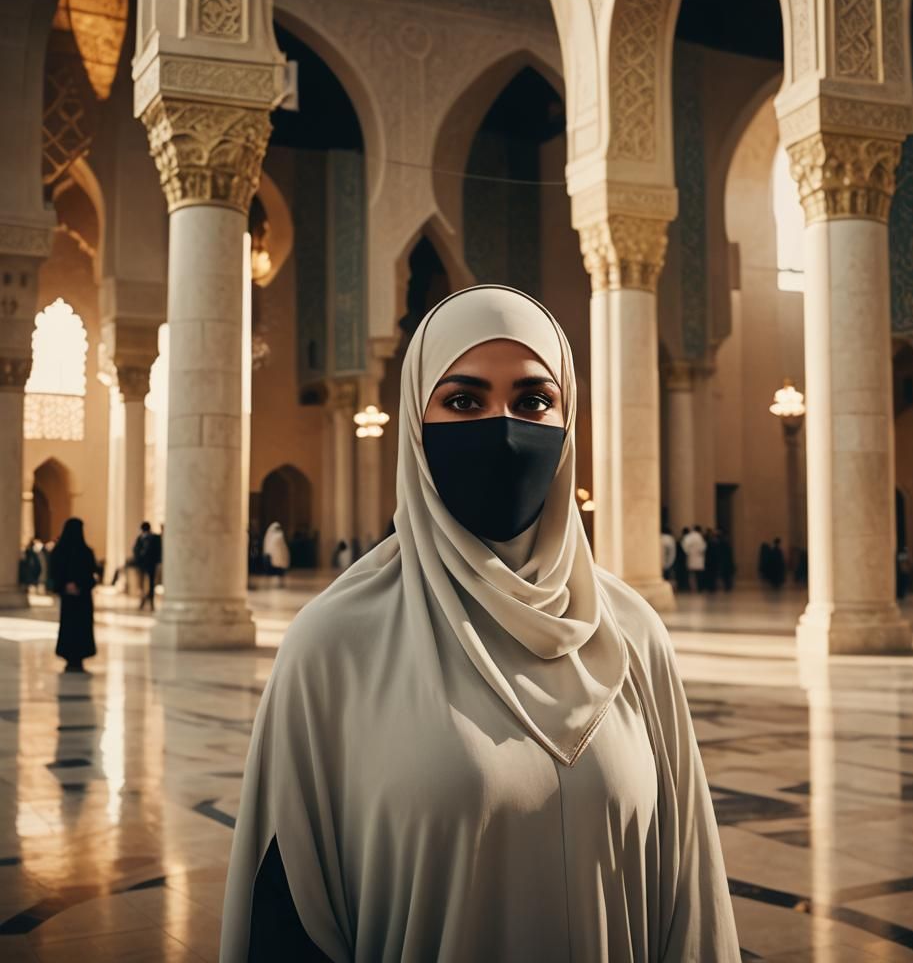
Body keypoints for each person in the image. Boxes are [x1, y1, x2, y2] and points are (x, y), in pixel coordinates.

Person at [221, 286, 740, 963]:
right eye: (464, 400)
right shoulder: (334, 647)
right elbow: (292, 926)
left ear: (567, 419)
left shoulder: (632, 633)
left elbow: (690, 898)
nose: (503, 427)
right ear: (416, 420)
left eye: (532, 401)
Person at [50, 518, 99, 674]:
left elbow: (55, 573)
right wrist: (79, 586)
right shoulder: (86, 552)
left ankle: (72, 657)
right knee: (79, 627)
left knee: (71, 626)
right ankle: (77, 657)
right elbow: (92, 575)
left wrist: (67, 586)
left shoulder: (59, 551)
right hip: (81, 598)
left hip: (71, 598)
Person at [132, 521, 162, 610]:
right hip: (143, 565)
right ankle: (143, 600)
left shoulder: (155, 538)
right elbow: (135, 550)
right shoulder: (140, 538)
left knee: (151, 584)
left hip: (150, 564)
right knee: (142, 584)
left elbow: (158, 551)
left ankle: (149, 601)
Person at [263, 522, 290, 587]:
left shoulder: (276, 535)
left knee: (279, 571)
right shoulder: (277, 535)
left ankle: (279, 583)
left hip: (277, 556)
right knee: (277, 570)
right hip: (273, 556)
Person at [682, 524, 707, 592]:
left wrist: (688, 552)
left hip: (691, 557)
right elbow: (703, 547)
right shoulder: (700, 537)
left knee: (691, 574)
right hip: (699, 558)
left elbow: (684, 545)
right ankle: (699, 588)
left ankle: (691, 588)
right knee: (699, 575)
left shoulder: (689, 536)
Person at [660, 520, 677, 586]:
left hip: (661, 562)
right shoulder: (670, 539)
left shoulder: (660, 537)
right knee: (669, 576)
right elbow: (672, 551)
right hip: (668, 561)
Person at [675, 526, 690, 592]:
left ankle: (682, 586)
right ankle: (683, 586)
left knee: (681, 574)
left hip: (680, 560)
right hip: (683, 560)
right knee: (684, 574)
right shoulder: (685, 540)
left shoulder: (680, 540)